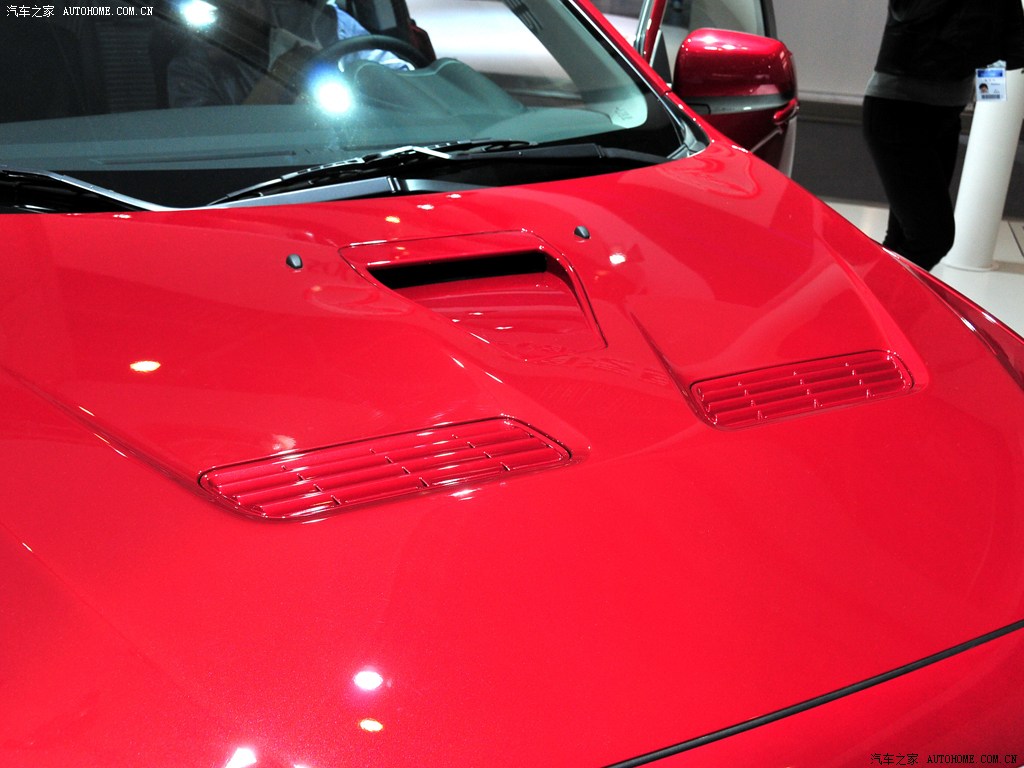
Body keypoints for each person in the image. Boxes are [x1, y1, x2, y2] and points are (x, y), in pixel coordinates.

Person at [862, 0, 1024, 271]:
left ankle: (879, 295)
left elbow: (1008, 45)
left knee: (904, 237)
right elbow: (914, 15)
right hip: (898, 110)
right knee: (931, 238)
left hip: (945, 117)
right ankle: (873, 291)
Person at [167, 0, 412, 107]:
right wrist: (279, 78)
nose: (242, 9)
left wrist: (355, 79)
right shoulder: (191, 68)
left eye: (249, 2)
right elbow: (219, 144)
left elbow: (398, 78)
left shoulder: (325, 24)